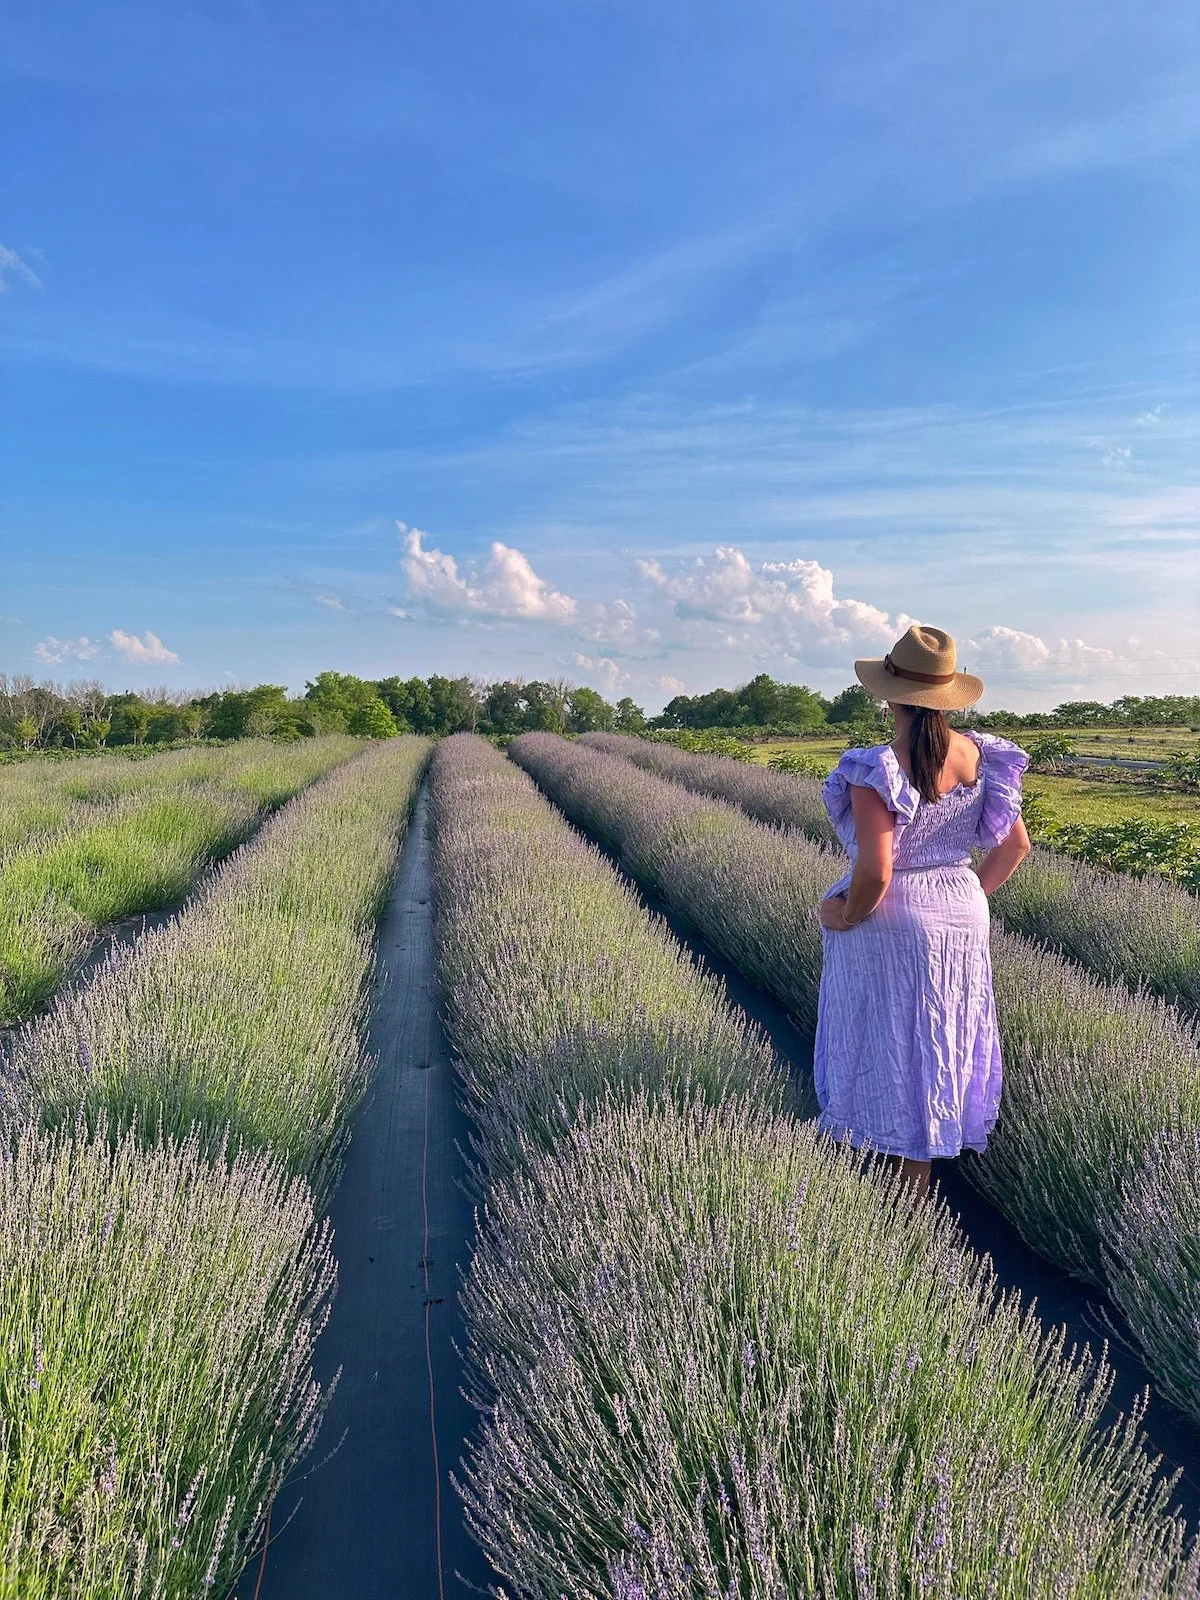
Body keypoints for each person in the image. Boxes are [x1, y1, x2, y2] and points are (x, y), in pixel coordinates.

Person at [814, 623, 1031, 1199]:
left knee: (884, 1039)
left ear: (889, 693)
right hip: (962, 910)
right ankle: (921, 1180)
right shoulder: (982, 756)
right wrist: (965, 900)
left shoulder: (876, 767)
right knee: (942, 1037)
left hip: (895, 920)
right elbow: (1014, 846)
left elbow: (877, 872)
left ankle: (884, 1191)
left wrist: (845, 915)